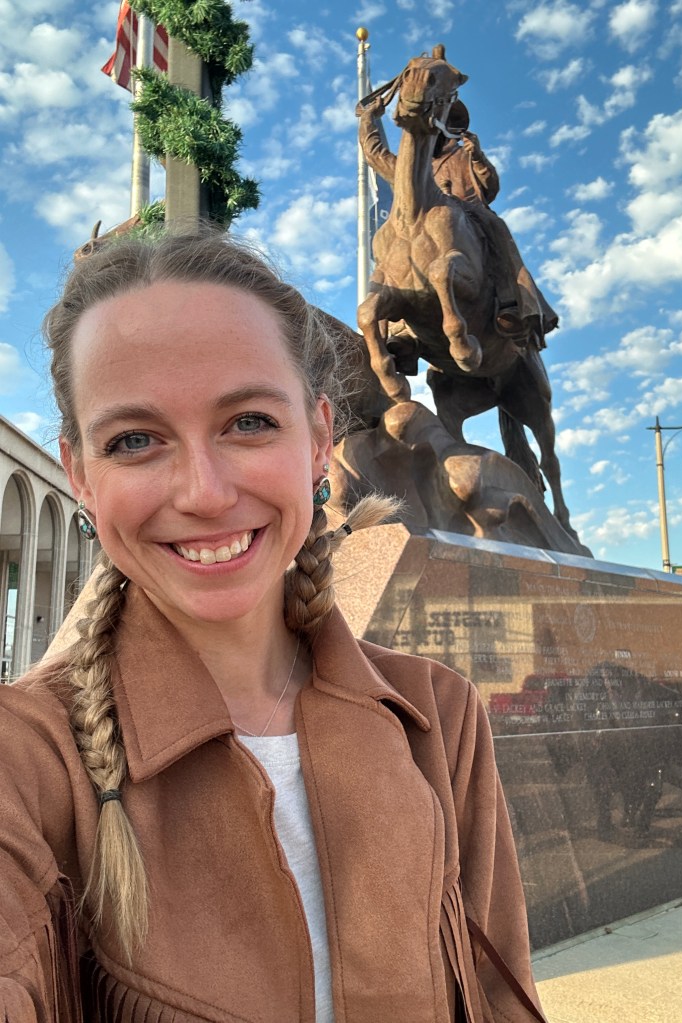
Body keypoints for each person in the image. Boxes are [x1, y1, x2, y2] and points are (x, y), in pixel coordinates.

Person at [0, 229, 546, 1022]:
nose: (205, 491)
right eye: (135, 440)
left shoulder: (440, 718)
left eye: (249, 422)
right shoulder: (24, 762)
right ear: (80, 474)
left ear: (320, 440)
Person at [359, 96, 558, 347]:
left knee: (496, 227)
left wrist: (477, 158)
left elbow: (490, 187)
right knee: (388, 248)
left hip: (467, 212)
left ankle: (512, 303)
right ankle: (399, 331)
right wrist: (369, 119)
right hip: (420, 220)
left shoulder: (462, 155)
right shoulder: (408, 168)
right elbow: (374, 153)